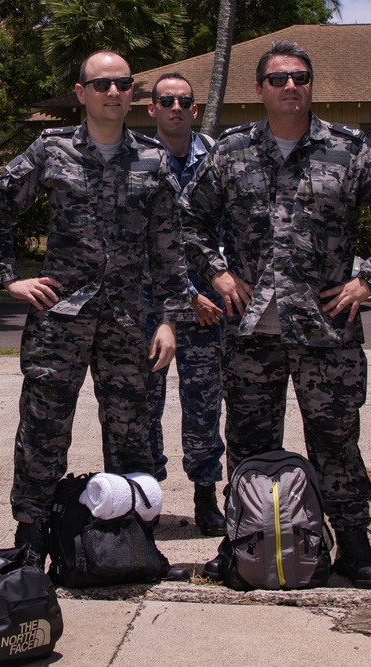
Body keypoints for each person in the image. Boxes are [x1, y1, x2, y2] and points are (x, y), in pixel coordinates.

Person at [181, 41, 371, 588]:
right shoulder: (230, 152)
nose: (291, 85)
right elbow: (187, 220)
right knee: (247, 442)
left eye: (301, 77)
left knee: (336, 439)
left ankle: (355, 544)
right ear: (260, 89)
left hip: (325, 332)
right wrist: (217, 273)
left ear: (311, 85)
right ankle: (244, 541)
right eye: (279, 78)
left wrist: (367, 280)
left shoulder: (350, 150)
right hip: (251, 333)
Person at [0, 50, 191, 580]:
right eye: (101, 85)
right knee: (43, 433)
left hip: (128, 324)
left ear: (132, 92)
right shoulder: (51, 152)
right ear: (81, 93)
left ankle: (137, 546)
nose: (112, 93)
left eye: (122, 84)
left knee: (133, 436)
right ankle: (29, 546)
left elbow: (169, 249)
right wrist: (8, 278)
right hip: (60, 320)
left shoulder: (153, 160)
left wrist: (167, 320)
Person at [142, 72, 226, 536]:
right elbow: (137, 241)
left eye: (184, 100)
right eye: (166, 100)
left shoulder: (217, 158)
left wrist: (209, 289)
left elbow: (225, 229)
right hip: (153, 309)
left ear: (195, 109)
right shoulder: (137, 160)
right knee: (145, 406)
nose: (176, 106)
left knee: (204, 406)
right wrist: (185, 295)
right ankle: (149, 499)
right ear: (152, 108)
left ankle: (206, 496)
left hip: (208, 310)